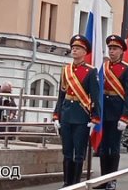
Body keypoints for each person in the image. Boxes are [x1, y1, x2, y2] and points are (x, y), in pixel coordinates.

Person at [52, 34, 100, 187]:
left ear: (85, 52)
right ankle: (67, 182)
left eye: (78, 48)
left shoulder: (91, 71)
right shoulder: (65, 70)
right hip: (66, 114)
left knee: (79, 153)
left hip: (82, 115)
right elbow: (61, 95)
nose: (74, 50)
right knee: (67, 151)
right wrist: (56, 115)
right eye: (73, 48)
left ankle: (76, 183)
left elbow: (95, 96)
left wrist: (95, 118)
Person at [95, 35, 128, 190]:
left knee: (114, 147)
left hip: (117, 112)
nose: (112, 51)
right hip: (103, 111)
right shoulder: (103, 67)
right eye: (110, 48)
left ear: (121, 51)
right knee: (103, 148)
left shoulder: (127, 69)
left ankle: (112, 180)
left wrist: (125, 117)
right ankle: (104, 179)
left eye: (115, 49)